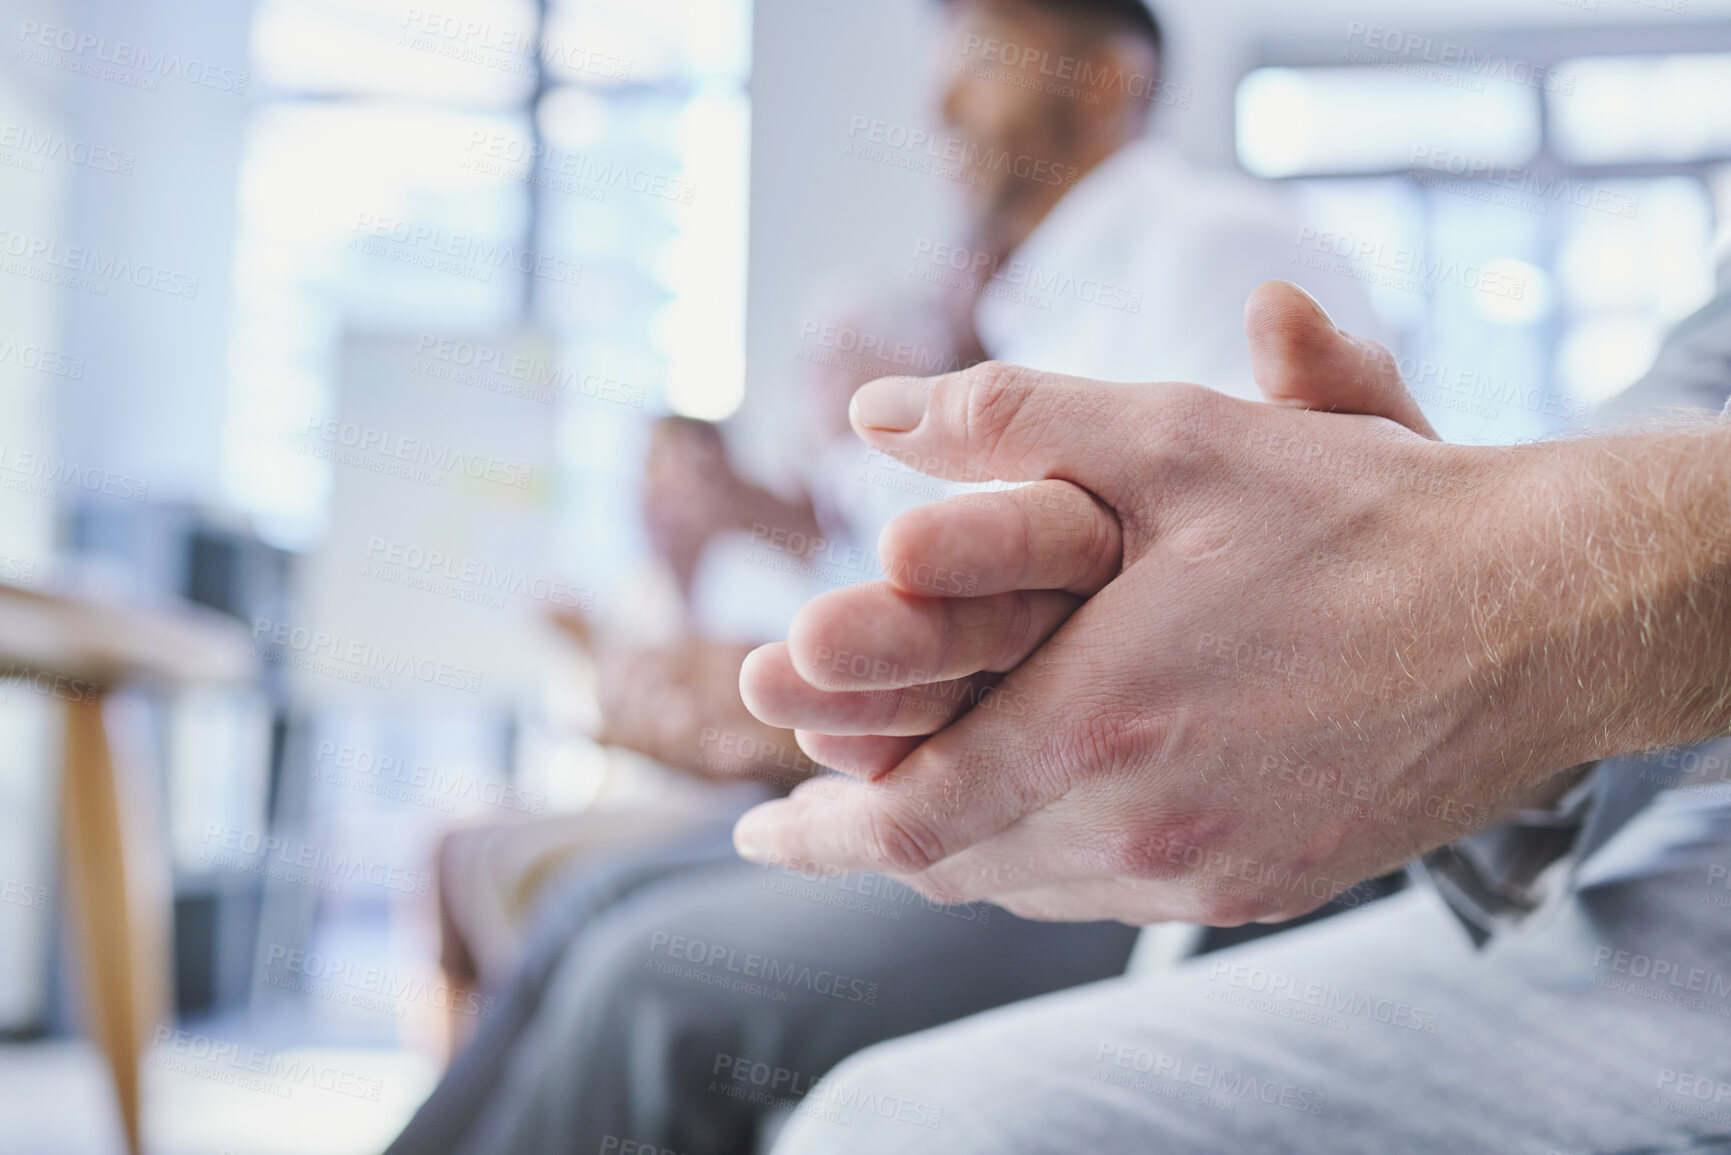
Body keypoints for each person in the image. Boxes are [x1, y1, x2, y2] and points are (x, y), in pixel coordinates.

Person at [385, 0, 1383, 1150]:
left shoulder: (1224, 250)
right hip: (984, 791)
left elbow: (1260, 616)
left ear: (1111, 79)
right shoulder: (1022, 307)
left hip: (1111, 836)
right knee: (585, 908)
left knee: (648, 991)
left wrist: (835, 710)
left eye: (981, 62)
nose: (940, 101)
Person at [743, 279, 1731, 1153]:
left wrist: (1504, 590)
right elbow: (1693, 386)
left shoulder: (1183, 247)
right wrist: (1524, 697)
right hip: (1645, 839)